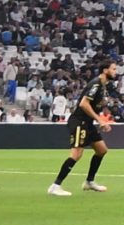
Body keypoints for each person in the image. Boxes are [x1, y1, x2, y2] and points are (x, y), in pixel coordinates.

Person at [49, 56, 120, 195]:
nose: (116, 72)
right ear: (105, 70)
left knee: (101, 150)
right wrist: (100, 120)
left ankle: (89, 182)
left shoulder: (103, 85)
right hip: (79, 122)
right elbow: (83, 103)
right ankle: (55, 186)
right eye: (114, 69)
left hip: (87, 123)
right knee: (76, 154)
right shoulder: (96, 84)